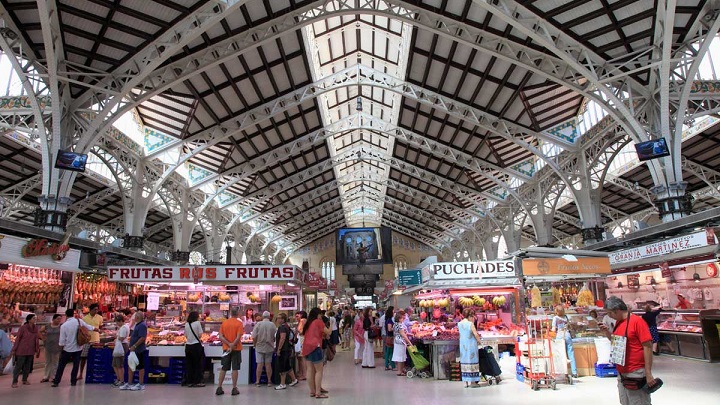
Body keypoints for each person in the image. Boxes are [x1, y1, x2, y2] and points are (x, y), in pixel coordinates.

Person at [599, 296, 656, 405]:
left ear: (617, 311)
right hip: (622, 373)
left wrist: (648, 373)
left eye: (610, 313)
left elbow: (648, 347)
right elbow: (617, 343)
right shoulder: (618, 323)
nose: (609, 316)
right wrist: (606, 332)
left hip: (636, 372)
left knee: (638, 401)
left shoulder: (637, 322)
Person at [52, 308, 100, 387]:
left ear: (66, 315)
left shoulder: (64, 326)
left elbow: (62, 340)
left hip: (67, 348)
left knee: (61, 365)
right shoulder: (79, 321)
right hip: (78, 347)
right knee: (76, 365)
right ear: (73, 314)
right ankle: (73, 381)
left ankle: (56, 381)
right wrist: (96, 329)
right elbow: (88, 326)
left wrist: (61, 347)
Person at [301, 307, 331, 398]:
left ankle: (312, 391)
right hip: (315, 347)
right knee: (319, 370)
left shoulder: (308, 323)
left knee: (310, 370)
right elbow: (328, 332)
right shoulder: (318, 322)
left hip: (306, 347)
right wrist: (332, 324)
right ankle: (318, 392)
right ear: (318, 314)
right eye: (320, 314)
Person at [216, 307, 244, 396]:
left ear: (231, 313)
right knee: (235, 368)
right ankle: (234, 388)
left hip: (226, 349)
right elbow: (238, 336)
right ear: (238, 313)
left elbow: (220, 336)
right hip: (236, 349)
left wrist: (228, 344)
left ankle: (219, 387)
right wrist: (232, 345)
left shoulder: (224, 323)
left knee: (224, 368)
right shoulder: (239, 323)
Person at [10, 313, 40, 387]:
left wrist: (37, 349)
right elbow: (18, 339)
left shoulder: (35, 328)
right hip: (22, 349)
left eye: (35, 318)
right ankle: (14, 381)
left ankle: (25, 379)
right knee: (19, 366)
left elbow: (36, 339)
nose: (35, 320)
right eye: (33, 318)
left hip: (31, 349)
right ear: (29, 320)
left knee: (28, 366)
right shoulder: (23, 328)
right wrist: (14, 349)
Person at [121, 312, 147, 391]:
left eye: (135, 317)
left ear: (137, 317)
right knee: (131, 366)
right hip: (134, 350)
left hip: (139, 349)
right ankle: (129, 383)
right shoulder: (138, 325)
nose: (133, 318)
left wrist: (135, 346)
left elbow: (142, 338)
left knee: (140, 367)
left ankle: (141, 384)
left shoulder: (142, 325)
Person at [458, 309, 483, 387]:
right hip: (471, 345)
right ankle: (472, 382)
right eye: (472, 316)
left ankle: (465, 382)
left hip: (463, 345)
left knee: (464, 361)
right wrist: (480, 341)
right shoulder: (470, 324)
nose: (473, 318)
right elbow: (475, 334)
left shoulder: (459, 323)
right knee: (472, 361)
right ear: (469, 316)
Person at [273, 313, 299, 390]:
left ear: (283, 319)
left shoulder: (282, 328)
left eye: (279, 318)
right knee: (287, 365)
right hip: (288, 349)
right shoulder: (287, 326)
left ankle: (282, 383)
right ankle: (294, 379)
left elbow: (282, 338)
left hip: (283, 350)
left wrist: (279, 349)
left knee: (282, 366)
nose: (277, 320)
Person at [252, 311, 277, 387]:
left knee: (259, 364)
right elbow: (275, 336)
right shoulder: (272, 325)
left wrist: (255, 344)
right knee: (268, 364)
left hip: (259, 346)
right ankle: (269, 381)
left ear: (262, 317)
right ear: (269, 317)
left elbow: (253, 336)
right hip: (269, 347)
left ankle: (257, 381)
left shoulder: (258, 324)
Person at [551, 305, 578, 378]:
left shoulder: (555, 318)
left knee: (560, 354)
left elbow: (553, 329)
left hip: (559, 336)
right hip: (567, 335)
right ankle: (574, 372)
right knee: (571, 353)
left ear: (556, 311)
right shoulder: (566, 317)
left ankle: (562, 372)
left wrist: (551, 335)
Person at [79, 303, 103, 380]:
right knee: (83, 357)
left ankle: (96, 374)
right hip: (87, 340)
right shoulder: (85, 318)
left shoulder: (100, 317)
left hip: (96, 340)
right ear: (90, 310)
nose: (96, 311)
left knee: (96, 358)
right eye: (94, 309)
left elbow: (100, 327)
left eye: (97, 309)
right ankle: (81, 374)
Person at [40, 314, 63, 383]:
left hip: (57, 346)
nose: (59, 320)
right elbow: (40, 331)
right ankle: (46, 376)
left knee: (55, 362)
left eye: (60, 319)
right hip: (48, 346)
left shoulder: (61, 327)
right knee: (47, 362)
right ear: (53, 319)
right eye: (57, 319)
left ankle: (54, 376)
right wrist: (43, 338)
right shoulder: (47, 326)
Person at [184, 311, 205, 387]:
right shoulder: (197, 323)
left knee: (189, 364)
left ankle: (190, 381)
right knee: (197, 364)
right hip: (196, 345)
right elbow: (200, 334)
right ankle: (197, 381)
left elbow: (185, 335)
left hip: (188, 346)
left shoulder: (186, 324)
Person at [111, 314, 129, 387]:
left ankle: (122, 381)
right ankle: (118, 379)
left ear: (121, 321)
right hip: (119, 346)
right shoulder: (123, 327)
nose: (116, 324)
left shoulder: (124, 328)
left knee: (119, 365)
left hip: (121, 346)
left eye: (117, 322)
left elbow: (121, 338)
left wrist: (116, 338)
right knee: (114, 364)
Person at [392, 310, 412, 376]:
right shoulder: (400, 325)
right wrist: (409, 342)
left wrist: (409, 334)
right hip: (400, 342)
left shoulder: (396, 324)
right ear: (399, 318)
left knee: (401, 356)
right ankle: (399, 371)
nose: (404, 319)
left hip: (397, 341)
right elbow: (403, 334)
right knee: (400, 357)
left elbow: (402, 333)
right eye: (403, 317)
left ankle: (401, 370)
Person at [294, 311, 307, 380]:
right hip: (303, 339)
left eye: (297, 316)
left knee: (302, 358)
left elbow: (300, 330)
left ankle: (304, 374)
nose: (296, 318)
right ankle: (301, 372)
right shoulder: (305, 321)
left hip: (302, 339)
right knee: (300, 357)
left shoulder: (302, 321)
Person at [383, 306, 395, 371]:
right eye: (393, 311)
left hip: (388, 337)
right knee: (390, 352)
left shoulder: (387, 319)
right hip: (390, 337)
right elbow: (389, 329)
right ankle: (392, 365)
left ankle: (387, 365)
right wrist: (396, 328)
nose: (394, 312)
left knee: (388, 352)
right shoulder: (390, 320)